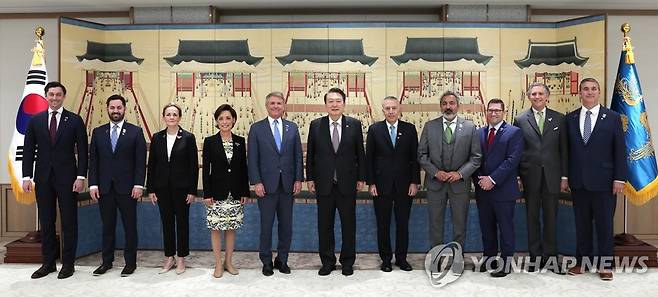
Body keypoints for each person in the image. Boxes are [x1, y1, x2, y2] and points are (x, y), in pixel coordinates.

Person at [22, 81, 88, 279]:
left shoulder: (75, 120)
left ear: (63, 97)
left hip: (68, 179)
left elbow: (83, 152)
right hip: (42, 179)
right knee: (47, 222)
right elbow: (28, 151)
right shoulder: (35, 120)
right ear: (46, 96)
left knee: (69, 222)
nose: (55, 98)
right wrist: (26, 176)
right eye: (51, 94)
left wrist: (80, 176)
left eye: (58, 95)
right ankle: (48, 263)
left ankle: (68, 264)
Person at [564, 78, 626, 281]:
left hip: (605, 182)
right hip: (579, 182)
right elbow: (567, 151)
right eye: (585, 89)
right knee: (582, 225)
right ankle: (582, 262)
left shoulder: (613, 117)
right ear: (579, 93)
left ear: (599, 92)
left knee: (604, 225)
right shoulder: (570, 118)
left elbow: (619, 150)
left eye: (593, 89)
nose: (589, 92)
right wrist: (565, 177)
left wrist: (619, 178)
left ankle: (606, 265)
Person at [306, 87, 366, 276]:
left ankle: (347, 262)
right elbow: (311, 155)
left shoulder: (354, 125)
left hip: (347, 184)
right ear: (325, 104)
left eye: (338, 100)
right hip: (324, 185)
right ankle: (327, 261)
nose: (334, 104)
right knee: (325, 226)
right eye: (330, 101)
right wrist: (310, 178)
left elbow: (360, 155)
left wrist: (361, 177)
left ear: (344, 103)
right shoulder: (315, 125)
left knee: (349, 225)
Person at [89, 94, 147, 277]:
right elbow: (94, 162)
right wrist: (93, 185)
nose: (115, 111)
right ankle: (106, 262)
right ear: (107, 109)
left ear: (124, 109)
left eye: (119, 107)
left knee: (130, 227)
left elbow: (140, 162)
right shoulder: (98, 132)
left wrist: (139, 185)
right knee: (107, 227)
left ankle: (130, 263)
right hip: (104, 189)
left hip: (128, 189)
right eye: (112, 107)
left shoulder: (135, 132)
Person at [513, 82, 567, 274]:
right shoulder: (520, 119)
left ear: (547, 96)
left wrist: (564, 176)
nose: (537, 97)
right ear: (529, 97)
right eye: (533, 94)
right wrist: (518, 176)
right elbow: (517, 151)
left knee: (551, 217)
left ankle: (551, 258)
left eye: (540, 93)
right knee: (532, 217)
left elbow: (564, 150)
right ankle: (535, 258)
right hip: (530, 176)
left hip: (553, 176)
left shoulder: (559, 119)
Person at [248, 92, 303, 276]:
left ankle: (282, 259)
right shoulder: (256, 128)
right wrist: (256, 182)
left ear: (284, 105)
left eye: (279, 103)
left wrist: (298, 179)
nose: (276, 106)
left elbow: (297, 156)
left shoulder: (292, 128)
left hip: (287, 185)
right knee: (266, 226)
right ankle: (266, 261)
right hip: (266, 186)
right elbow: (253, 158)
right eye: (272, 103)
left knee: (286, 225)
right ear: (266, 105)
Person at [417, 91, 481, 250]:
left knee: (460, 225)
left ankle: (457, 259)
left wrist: (460, 174)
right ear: (440, 106)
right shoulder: (429, 126)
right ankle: (436, 259)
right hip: (435, 185)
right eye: (444, 103)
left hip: (460, 185)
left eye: (451, 103)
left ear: (458, 106)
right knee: (435, 224)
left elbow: (476, 157)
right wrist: (435, 172)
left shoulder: (470, 127)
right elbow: (421, 154)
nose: (448, 107)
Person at [365, 96, 420, 272]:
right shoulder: (374, 130)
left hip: (405, 186)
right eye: (387, 108)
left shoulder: (410, 130)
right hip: (381, 186)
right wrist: (371, 183)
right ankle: (386, 259)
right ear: (383, 110)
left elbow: (414, 159)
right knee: (383, 224)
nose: (390, 111)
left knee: (403, 224)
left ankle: (402, 259)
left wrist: (414, 182)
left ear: (399, 109)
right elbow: (369, 159)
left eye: (393, 108)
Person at [473, 98, 524, 278]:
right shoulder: (478, 133)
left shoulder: (514, 132)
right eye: (490, 110)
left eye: (497, 110)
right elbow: (474, 159)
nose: (493, 113)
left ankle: (505, 263)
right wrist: (480, 180)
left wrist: (492, 179)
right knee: (487, 228)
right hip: (483, 190)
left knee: (505, 228)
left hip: (503, 189)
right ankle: (489, 258)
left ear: (503, 112)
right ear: (486, 112)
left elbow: (512, 160)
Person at [146, 103, 199, 274]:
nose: (171, 117)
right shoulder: (157, 137)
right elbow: (152, 165)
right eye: (168, 114)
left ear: (179, 117)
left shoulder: (188, 138)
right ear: (164, 117)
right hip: (162, 189)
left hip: (182, 190)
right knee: (167, 224)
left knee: (182, 224)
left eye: (175, 114)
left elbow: (193, 166)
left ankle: (182, 258)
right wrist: (151, 189)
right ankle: (170, 257)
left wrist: (192, 191)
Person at [203, 104, 249, 278]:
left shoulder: (240, 141)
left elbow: (243, 169)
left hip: (235, 193)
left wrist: (245, 192)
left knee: (231, 228)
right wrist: (207, 194)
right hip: (216, 194)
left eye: (228, 118)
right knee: (216, 228)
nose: (224, 121)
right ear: (216, 121)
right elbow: (205, 170)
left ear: (234, 120)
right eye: (221, 118)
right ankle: (217, 264)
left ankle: (228, 262)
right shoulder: (210, 141)